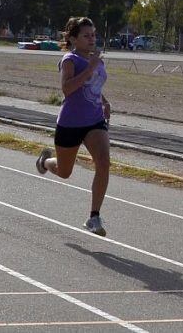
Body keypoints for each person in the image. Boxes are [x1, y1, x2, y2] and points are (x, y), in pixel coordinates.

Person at [35, 17, 111, 236]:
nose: (91, 39)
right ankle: (46, 161)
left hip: (94, 121)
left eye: (93, 35)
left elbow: (93, 86)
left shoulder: (96, 60)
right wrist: (89, 68)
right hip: (70, 123)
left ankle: (94, 217)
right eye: (86, 35)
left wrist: (104, 102)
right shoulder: (70, 60)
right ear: (74, 39)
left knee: (104, 162)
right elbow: (67, 89)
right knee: (65, 172)